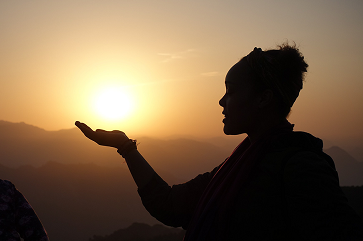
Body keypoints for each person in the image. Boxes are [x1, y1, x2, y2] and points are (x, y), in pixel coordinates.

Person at [75, 43, 363, 240]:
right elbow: (168, 204)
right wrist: (125, 147)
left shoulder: (302, 168)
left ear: (263, 98)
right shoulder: (234, 168)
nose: (222, 101)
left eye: (231, 90)